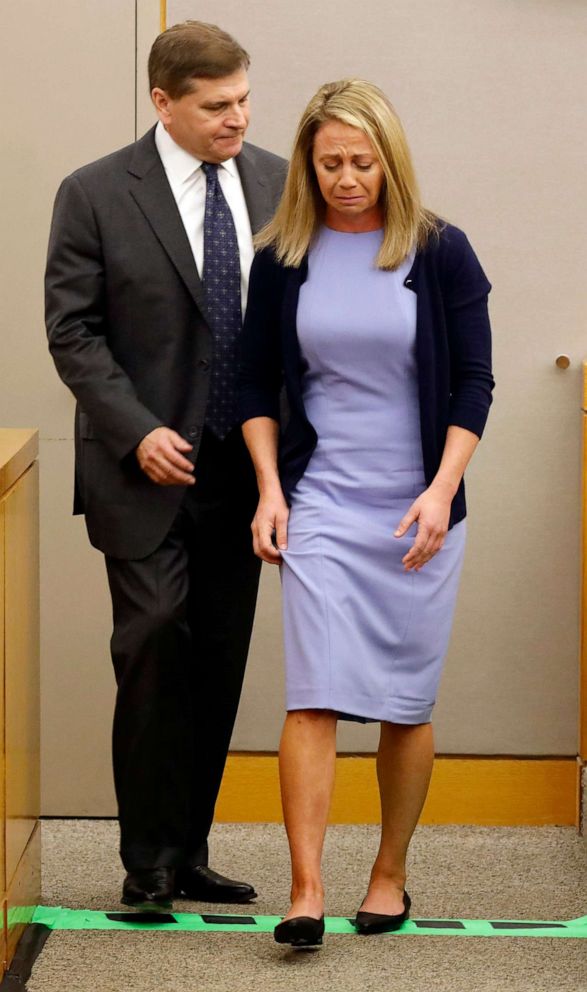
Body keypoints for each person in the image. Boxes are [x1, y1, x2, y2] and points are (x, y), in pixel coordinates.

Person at [239, 78, 494, 946]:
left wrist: (438, 491)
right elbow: (251, 386)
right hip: (320, 500)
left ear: (390, 160)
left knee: (402, 703)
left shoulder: (439, 250)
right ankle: (305, 892)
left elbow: (472, 383)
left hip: (417, 511)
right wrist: (271, 491)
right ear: (306, 167)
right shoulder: (283, 256)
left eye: (361, 161)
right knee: (311, 697)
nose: (346, 178)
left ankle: (389, 873)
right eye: (328, 162)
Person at [45, 20, 287, 911]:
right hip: (142, 472)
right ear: (163, 101)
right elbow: (72, 331)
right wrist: (135, 429)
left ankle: (190, 850)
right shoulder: (97, 192)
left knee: (219, 660)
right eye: (216, 105)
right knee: (152, 644)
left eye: (244, 100)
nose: (238, 118)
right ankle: (145, 862)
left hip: (242, 471)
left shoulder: (274, 181)